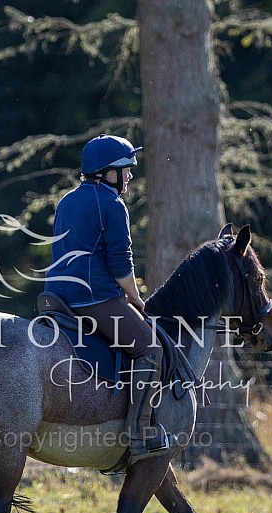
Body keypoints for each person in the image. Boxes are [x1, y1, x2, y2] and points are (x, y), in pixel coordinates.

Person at [44, 133, 169, 465]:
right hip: (94, 298)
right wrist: (138, 300)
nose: (129, 175)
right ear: (106, 172)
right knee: (150, 348)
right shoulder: (113, 204)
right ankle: (140, 431)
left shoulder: (68, 200)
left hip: (56, 296)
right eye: (125, 169)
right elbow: (121, 265)